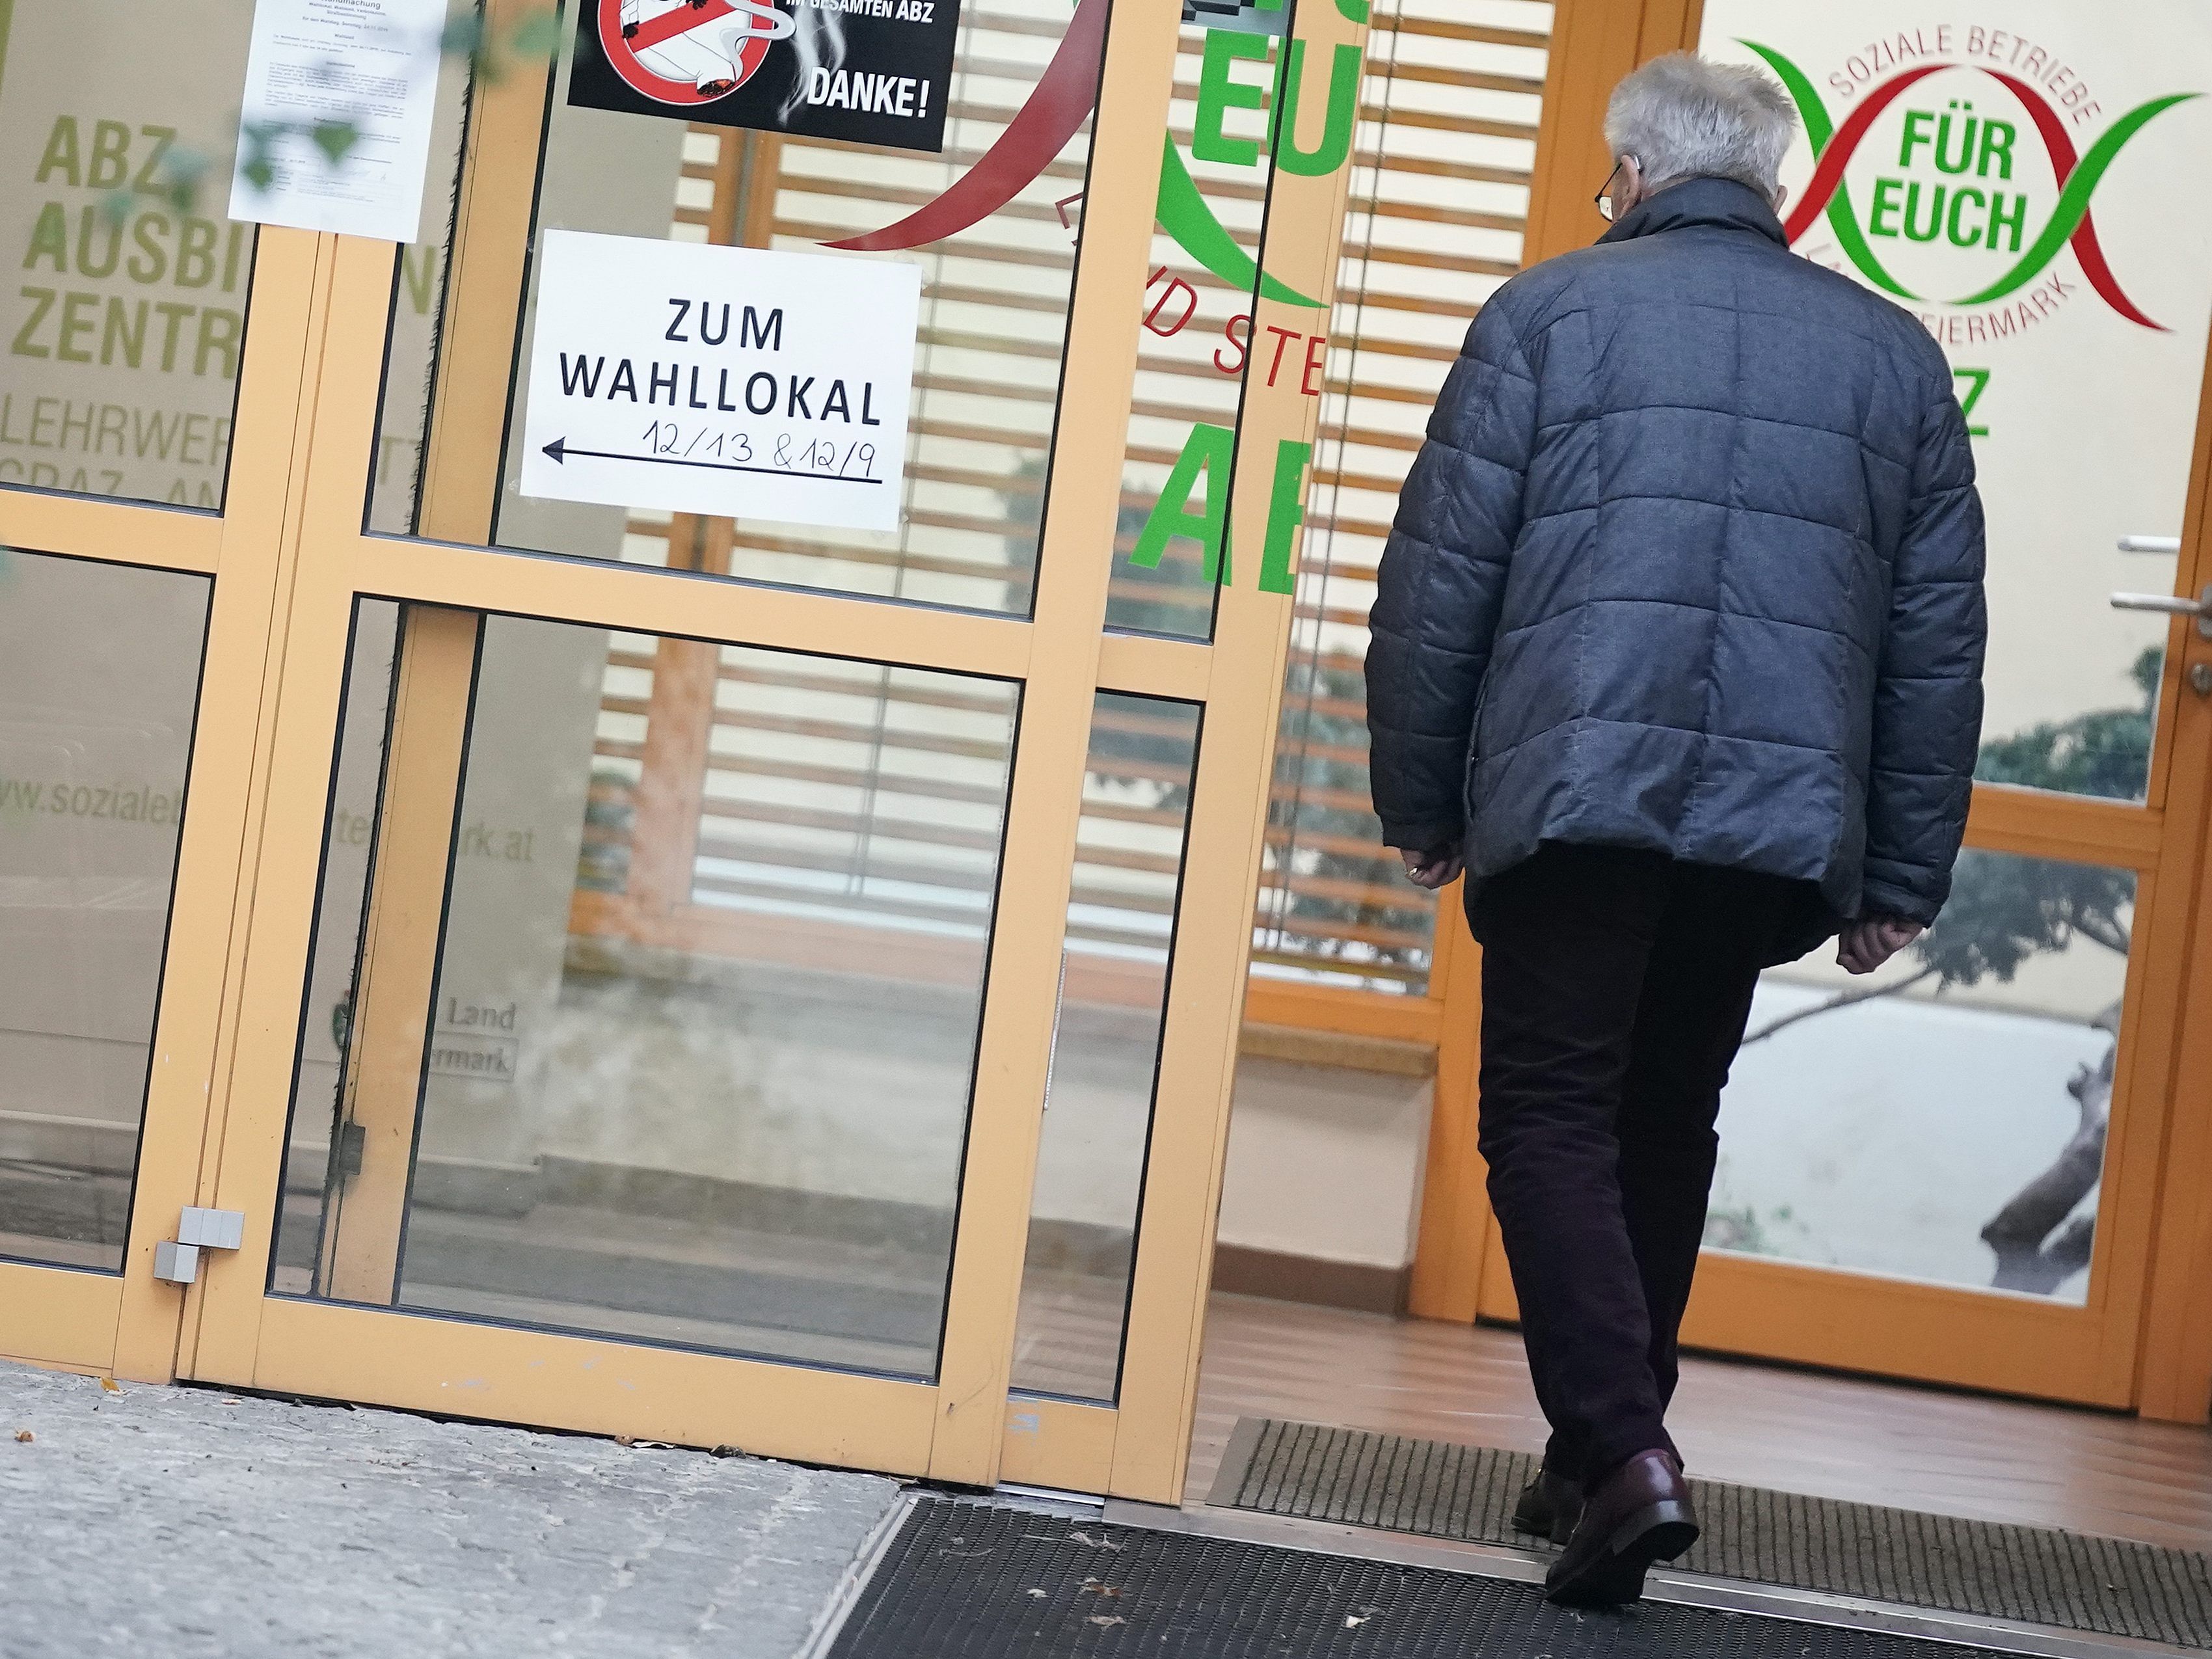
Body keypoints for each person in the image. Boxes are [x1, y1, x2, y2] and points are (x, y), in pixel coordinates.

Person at [1366, 51, 1986, 1608]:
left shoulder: (1544, 317)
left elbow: (1440, 587)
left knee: (1549, 1120)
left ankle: (1626, 1453)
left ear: (1627, 179)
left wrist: (1421, 796)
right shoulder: (1890, 360)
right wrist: (1901, 865)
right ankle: (1595, 1467)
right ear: (1765, 183)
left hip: (1575, 797)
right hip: (1767, 824)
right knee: (1662, 1120)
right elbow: (1932, 640)